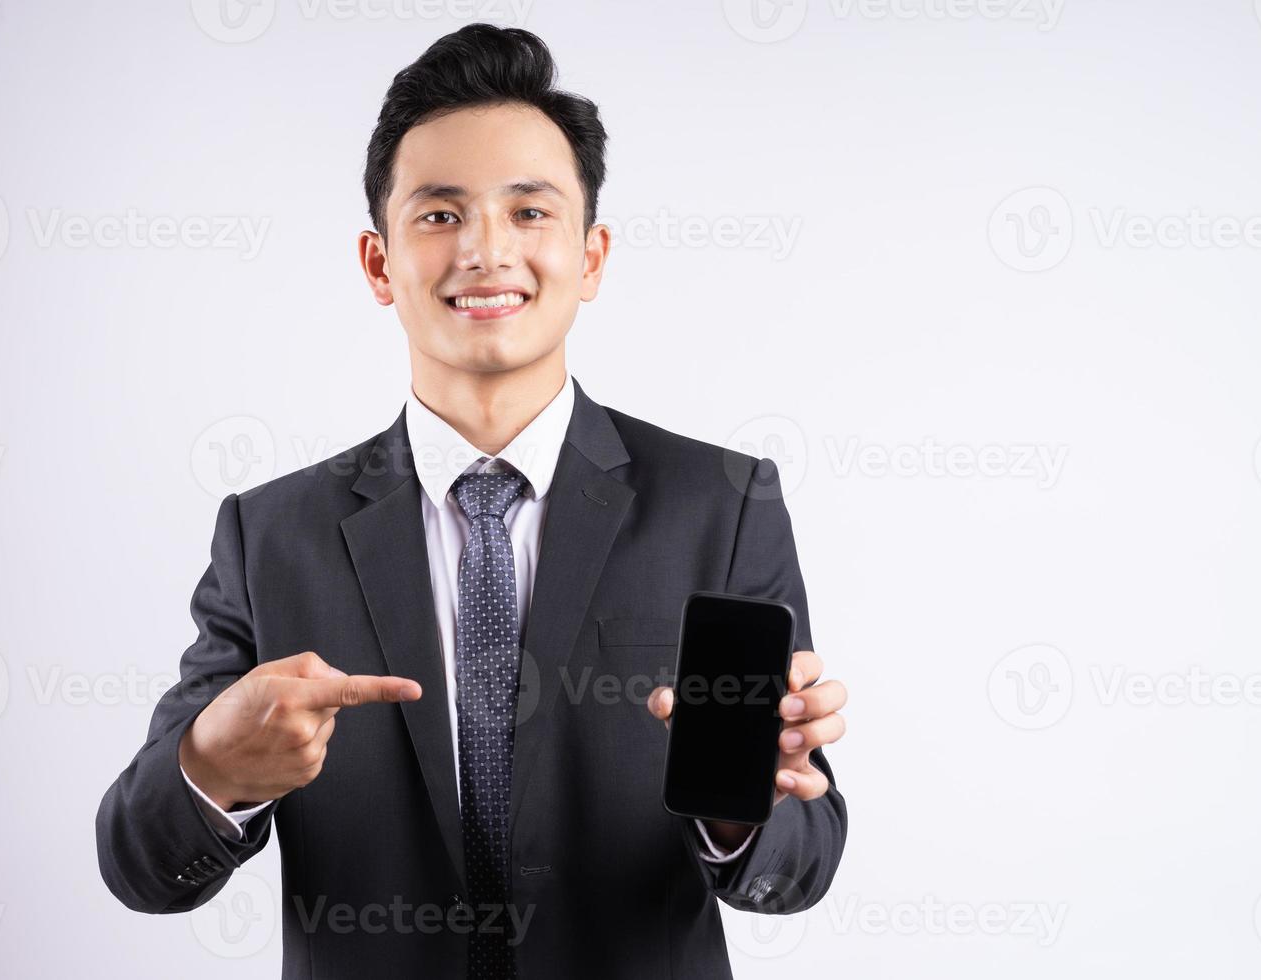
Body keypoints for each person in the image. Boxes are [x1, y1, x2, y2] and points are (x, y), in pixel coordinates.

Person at [96, 24, 848, 979]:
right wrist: (212, 769)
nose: (487, 252)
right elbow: (141, 869)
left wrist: (741, 806)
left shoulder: (721, 502)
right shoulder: (273, 534)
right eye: (440, 215)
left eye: (529, 213)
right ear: (379, 264)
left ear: (592, 255)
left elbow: (800, 867)